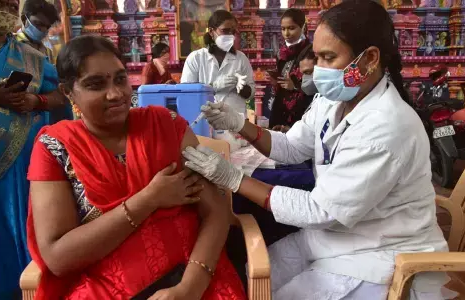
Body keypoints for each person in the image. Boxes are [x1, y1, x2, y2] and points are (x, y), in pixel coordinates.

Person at [183, 1, 451, 299]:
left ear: (369, 59)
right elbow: (293, 146)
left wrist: (234, 179)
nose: (318, 69)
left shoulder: (386, 125)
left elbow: (319, 210)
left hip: (380, 256)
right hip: (336, 238)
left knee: (272, 290)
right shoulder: (333, 101)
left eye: (329, 58)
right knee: (251, 278)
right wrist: (238, 123)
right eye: (317, 57)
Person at [26, 35, 246, 300]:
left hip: (193, 276)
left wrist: (189, 288)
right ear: (68, 92)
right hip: (102, 289)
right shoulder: (54, 148)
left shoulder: (166, 125)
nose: (116, 94)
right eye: (96, 84)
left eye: (120, 79)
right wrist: (149, 199)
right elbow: (58, 258)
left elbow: (217, 211)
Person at [0, 0, 67, 297]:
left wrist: (36, 101)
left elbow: (61, 94)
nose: (3, 9)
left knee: (29, 225)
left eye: (10, 4)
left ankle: (34, 290)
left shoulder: (30, 56)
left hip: (26, 162)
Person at [181, 10, 255, 116]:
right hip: (205, 120)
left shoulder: (241, 58)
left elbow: (250, 93)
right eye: (225, 31)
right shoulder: (196, 58)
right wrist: (213, 86)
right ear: (211, 32)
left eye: (233, 32)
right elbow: (186, 93)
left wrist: (241, 86)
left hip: (235, 121)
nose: (230, 35)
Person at [267, 8, 313, 133]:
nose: (286, 33)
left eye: (291, 28)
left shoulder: (312, 51)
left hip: (303, 109)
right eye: (283, 29)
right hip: (281, 107)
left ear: (303, 27)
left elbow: (317, 85)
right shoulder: (282, 53)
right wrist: (277, 82)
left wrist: (295, 86)